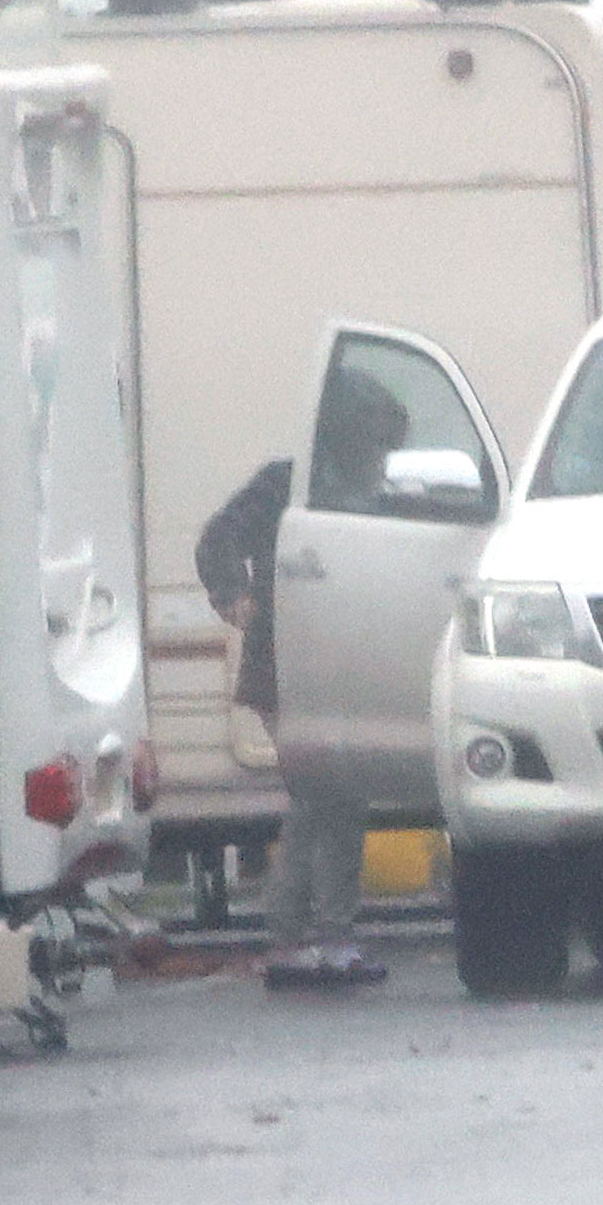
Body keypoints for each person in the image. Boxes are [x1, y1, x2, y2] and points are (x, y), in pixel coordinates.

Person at [197, 366, 411, 990]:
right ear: (347, 434)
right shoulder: (287, 484)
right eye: (375, 443)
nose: (381, 457)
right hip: (284, 666)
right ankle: (324, 938)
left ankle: (294, 938)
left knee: (318, 800)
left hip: (328, 669)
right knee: (332, 797)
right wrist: (234, 598)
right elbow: (216, 540)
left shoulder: (355, 489)